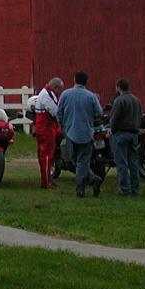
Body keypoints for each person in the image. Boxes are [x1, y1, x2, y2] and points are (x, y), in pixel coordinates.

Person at [55, 70, 104, 198]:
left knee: (74, 159)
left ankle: (80, 187)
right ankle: (93, 179)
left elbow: (58, 112)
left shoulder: (65, 95)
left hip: (70, 132)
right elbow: (99, 113)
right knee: (83, 161)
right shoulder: (91, 96)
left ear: (75, 80)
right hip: (87, 133)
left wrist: (62, 124)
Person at [109, 78, 142, 196]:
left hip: (121, 133)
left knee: (121, 162)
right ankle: (135, 188)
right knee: (133, 162)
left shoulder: (119, 100)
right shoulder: (136, 100)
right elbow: (140, 116)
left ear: (118, 87)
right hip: (134, 134)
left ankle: (125, 189)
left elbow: (115, 118)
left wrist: (111, 130)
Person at [31, 76, 63, 188]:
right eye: (59, 89)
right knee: (47, 156)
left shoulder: (45, 93)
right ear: (55, 87)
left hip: (44, 128)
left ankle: (48, 178)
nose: (60, 92)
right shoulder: (47, 95)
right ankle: (46, 182)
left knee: (46, 155)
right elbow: (55, 112)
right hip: (46, 129)